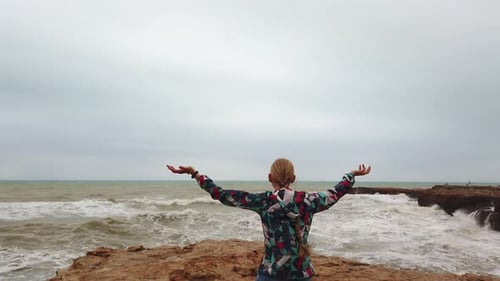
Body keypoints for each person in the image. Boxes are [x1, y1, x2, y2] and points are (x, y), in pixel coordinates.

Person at [167, 158, 371, 281]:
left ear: (269, 176)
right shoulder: (308, 201)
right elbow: (337, 192)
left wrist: (194, 173)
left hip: (271, 272)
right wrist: (351, 175)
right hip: (301, 273)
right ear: (293, 177)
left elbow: (221, 194)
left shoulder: (264, 201)